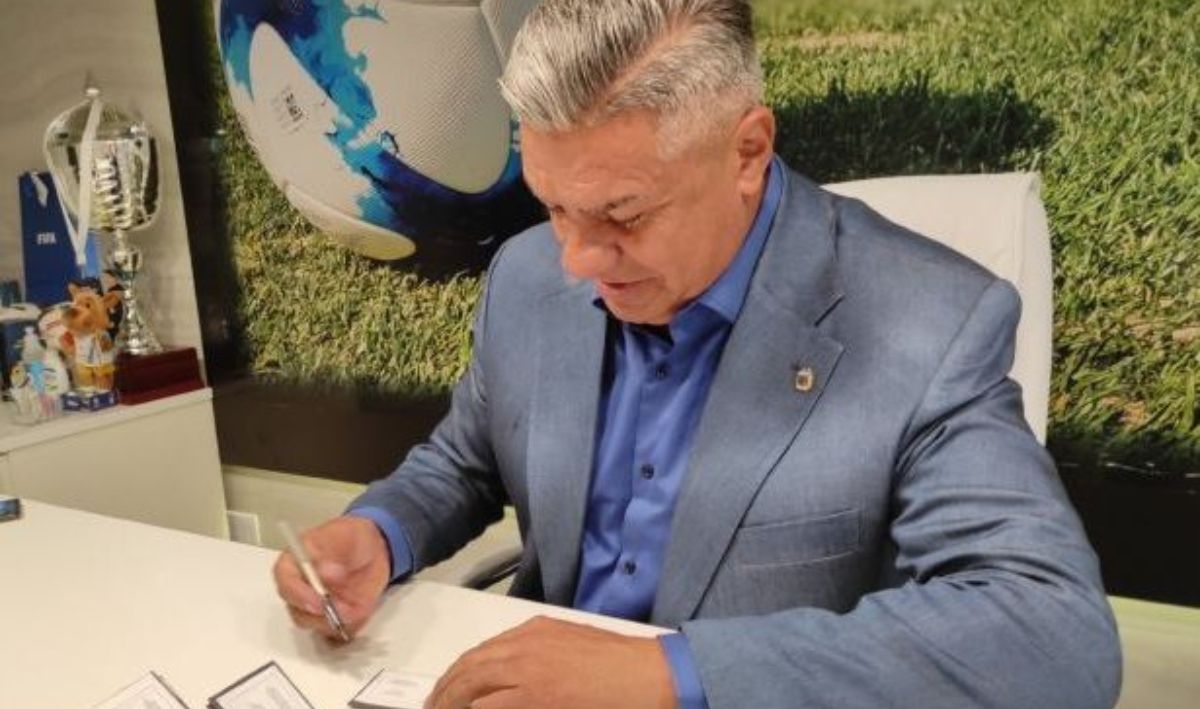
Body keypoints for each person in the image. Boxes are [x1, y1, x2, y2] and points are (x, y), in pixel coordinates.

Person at [274, 1, 1122, 707]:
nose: (577, 260)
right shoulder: (528, 276)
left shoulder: (930, 321)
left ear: (747, 151)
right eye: (554, 206)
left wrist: (671, 674)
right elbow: (466, 462)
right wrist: (381, 532)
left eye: (624, 216)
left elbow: (1053, 634)